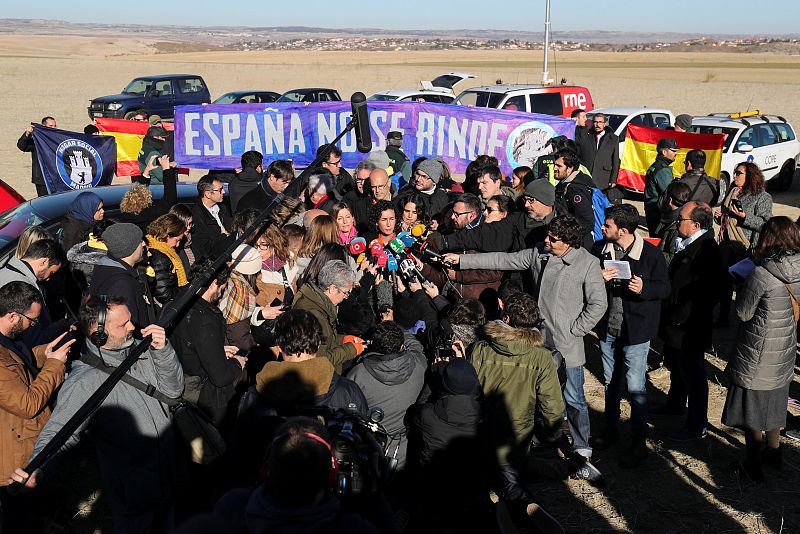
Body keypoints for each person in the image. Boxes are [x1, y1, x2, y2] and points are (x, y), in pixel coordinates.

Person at [445, 215, 608, 465]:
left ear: (569, 242)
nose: (546, 241)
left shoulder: (588, 264)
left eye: (553, 239)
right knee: (536, 394)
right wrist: (462, 260)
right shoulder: (539, 254)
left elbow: (599, 303)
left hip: (567, 345)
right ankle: (541, 437)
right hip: (535, 341)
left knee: (574, 398)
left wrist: (577, 329)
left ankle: (582, 444)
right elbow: (504, 259)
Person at [15, 296, 183, 534]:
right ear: (98, 332)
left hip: (167, 476)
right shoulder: (84, 382)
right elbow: (60, 431)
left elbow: (173, 391)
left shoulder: (139, 348)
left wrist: (163, 351)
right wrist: (38, 467)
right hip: (134, 494)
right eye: (123, 325)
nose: (132, 327)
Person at [468, 292, 567, 529]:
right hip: (517, 437)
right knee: (511, 481)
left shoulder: (480, 349)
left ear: (506, 317)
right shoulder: (542, 357)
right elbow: (552, 404)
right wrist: (553, 437)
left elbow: (468, 391)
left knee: (486, 487)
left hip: (480, 433)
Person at [721, 217, 800, 481]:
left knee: (751, 412)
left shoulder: (761, 273)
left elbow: (743, 313)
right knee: (776, 404)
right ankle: (775, 454)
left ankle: (752, 464)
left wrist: (741, 285)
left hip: (757, 351)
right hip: (785, 347)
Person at [591, 204, 670, 464]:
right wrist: (597, 279)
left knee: (635, 386)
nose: (602, 228)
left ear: (623, 230)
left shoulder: (650, 254)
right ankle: (611, 430)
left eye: (608, 226)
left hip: (636, 330)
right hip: (608, 328)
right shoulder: (600, 251)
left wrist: (644, 287)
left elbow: (664, 288)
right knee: (610, 382)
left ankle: (638, 441)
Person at [215, 417, 379, 534]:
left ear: (266, 470)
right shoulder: (351, 527)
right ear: (331, 475)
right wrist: (374, 493)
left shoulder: (232, 508)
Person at [0, 283, 73, 533]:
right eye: (32, 320)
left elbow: (20, 360)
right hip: (12, 463)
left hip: (23, 442)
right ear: (12, 316)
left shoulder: (6, 341)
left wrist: (45, 353)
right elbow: (27, 404)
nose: (34, 326)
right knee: (20, 519)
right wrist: (54, 366)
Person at [658, 202, 723, 443]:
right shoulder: (691, 245)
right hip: (678, 324)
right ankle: (675, 404)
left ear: (695, 225)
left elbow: (704, 294)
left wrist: (678, 317)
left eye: (681, 219)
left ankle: (697, 424)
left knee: (693, 373)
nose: (677, 222)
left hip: (689, 326)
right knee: (677, 366)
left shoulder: (706, 251)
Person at [171, 261, 244, 427]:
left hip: (179, 380)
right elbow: (220, 377)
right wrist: (237, 363)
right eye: (222, 287)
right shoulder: (206, 320)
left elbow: (189, 345)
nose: (221, 294)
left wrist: (216, 350)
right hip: (202, 396)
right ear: (213, 284)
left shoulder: (176, 300)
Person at [346, 321, 426, 470]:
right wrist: (396, 325)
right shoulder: (420, 365)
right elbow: (416, 347)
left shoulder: (358, 375)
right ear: (402, 346)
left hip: (373, 451)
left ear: (373, 345)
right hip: (408, 449)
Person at [714, 161, 773, 326]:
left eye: (738, 173)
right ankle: (723, 317)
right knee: (724, 284)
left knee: (743, 287)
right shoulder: (733, 191)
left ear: (750, 176)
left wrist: (744, 217)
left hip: (746, 247)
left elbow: (766, 224)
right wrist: (720, 217)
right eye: (734, 172)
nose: (734, 176)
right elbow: (727, 219)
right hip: (726, 244)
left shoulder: (762, 197)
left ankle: (742, 321)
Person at [291, 259, 362, 374]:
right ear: (333, 288)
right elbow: (317, 361)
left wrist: (342, 339)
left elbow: (325, 339)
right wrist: (350, 350)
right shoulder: (314, 316)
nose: (346, 297)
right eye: (345, 292)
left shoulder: (314, 299)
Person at [0, 239, 67, 347]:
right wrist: (61, 326)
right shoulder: (25, 289)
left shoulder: (4, 271)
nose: (49, 278)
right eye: (52, 272)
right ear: (44, 262)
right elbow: (34, 338)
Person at [88, 222, 156, 329]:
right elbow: (128, 326)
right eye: (140, 241)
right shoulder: (122, 284)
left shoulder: (105, 268)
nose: (143, 244)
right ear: (129, 247)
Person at [118, 155, 177, 231]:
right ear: (146, 201)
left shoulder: (123, 217)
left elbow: (138, 190)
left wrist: (147, 171)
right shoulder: (148, 215)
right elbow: (170, 199)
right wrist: (167, 170)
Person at [553, 150, 597, 248]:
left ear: (570, 168)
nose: (554, 168)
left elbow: (587, 221)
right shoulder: (567, 183)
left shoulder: (575, 189)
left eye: (559, 166)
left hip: (579, 243)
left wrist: (569, 239)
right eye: (554, 165)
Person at [145, 213, 189, 307]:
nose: (177, 245)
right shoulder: (160, 258)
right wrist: (185, 289)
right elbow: (164, 295)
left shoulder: (153, 245)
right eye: (177, 240)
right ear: (167, 235)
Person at [575, 112, 620, 195]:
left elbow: (615, 160)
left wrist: (613, 180)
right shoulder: (587, 135)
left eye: (600, 122)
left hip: (603, 177)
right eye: (595, 122)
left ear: (604, 124)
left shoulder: (613, 138)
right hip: (587, 175)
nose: (597, 124)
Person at [191, 174, 232, 262]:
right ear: (208, 194)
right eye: (220, 190)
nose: (224, 192)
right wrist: (225, 236)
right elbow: (208, 245)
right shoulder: (196, 217)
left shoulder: (223, 208)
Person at [644, 138, 679, 235]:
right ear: (664, 152)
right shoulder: (662, 169)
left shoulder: (656, 165)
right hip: (658, 212)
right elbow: (670, 191)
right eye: (673, 151)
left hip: (652, 209)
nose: (675, 154)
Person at [17, 116, 57, 197]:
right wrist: (27, 133)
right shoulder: (36, 141)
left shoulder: (56, 140)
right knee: (44, 204)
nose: (53, 128)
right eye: (50, 126)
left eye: (55, 126)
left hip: (55, 178)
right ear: (44, 127)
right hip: (41, 179)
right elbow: (22, 146)